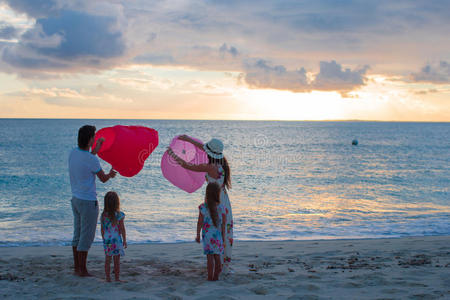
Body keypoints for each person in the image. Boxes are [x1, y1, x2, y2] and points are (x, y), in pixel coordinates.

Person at [168, 135, 233, 273]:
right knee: (223, 230)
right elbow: (203, 148)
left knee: (211, 228)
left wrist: (172, 154)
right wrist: (188, 139)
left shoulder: (208, 167)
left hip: (213, 200)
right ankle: (222, 263)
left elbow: (187, 165)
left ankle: (215, 262)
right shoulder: (223, 164)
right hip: (224, 200)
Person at [69, 125, 117, 277]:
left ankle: (77, 268)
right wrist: (110, 174)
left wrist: (96, 148)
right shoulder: (92, 159)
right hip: (88, 202)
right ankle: (83, 271)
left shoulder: (73, 153)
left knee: (77, 235)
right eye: (94, 137)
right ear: (90, 139)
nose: (95, 138)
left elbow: (87, 159)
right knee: (86, 237)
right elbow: (102, 179)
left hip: (76, 200)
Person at [196, 183, 226, 281]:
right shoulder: (222, 208)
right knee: (217, 257)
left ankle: (210, 277)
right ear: (217, 194)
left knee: (209, 258)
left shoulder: (203, 207)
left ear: (207, 194)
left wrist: (197, 235)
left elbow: (199, 223)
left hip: (207, 236)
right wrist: (223, 237)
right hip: (217, 236)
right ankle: (216, 276)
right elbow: (223, 225)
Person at [101, 191, 127, 282]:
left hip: (107, 240)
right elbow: (122, 229)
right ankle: (117, 278)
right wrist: (124, 240)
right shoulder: (119, 215)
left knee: (107, 260)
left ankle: (108, 278)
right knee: (116, 261)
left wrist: (104, 238)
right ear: (117, 202)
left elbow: (102, 229)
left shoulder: (103, 215)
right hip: (116, 240)